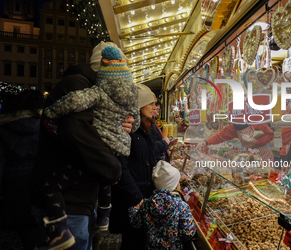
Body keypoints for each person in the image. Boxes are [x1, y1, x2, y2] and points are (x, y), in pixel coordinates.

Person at [29, 41, 134, 250]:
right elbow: (76, 132)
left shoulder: (94, 89)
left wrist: (124, 125)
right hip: (67, 203)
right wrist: (113, 169)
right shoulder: (79, 84)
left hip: (79, 200)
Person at [109, 83, 158, 250]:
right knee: (131, 243)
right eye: (151, 103)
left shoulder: (145, 129)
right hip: (132, 201)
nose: (154, 107)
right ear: (139, 104)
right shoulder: (126, 129)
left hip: (143, 197)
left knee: (139, 242)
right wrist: (138, 199)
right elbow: (121, 169)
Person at [0, 90, 45, 249]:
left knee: (26, 229)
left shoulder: (4, 128)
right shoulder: (45, 126)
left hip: (13, 184)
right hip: (40, 180)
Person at [128, 160, 196, 250]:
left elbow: (136, 223)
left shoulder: (146, 204)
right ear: (175, 186)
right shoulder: (181, 206)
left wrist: (133, 209)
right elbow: (188, 233)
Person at [197, 123, 274, 163]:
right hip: (250, 157)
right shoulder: (234, 128)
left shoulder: (255, 121)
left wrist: (257, 141)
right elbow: (220, 136)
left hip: (264, 156)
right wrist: (206, 142)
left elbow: (270, 135)